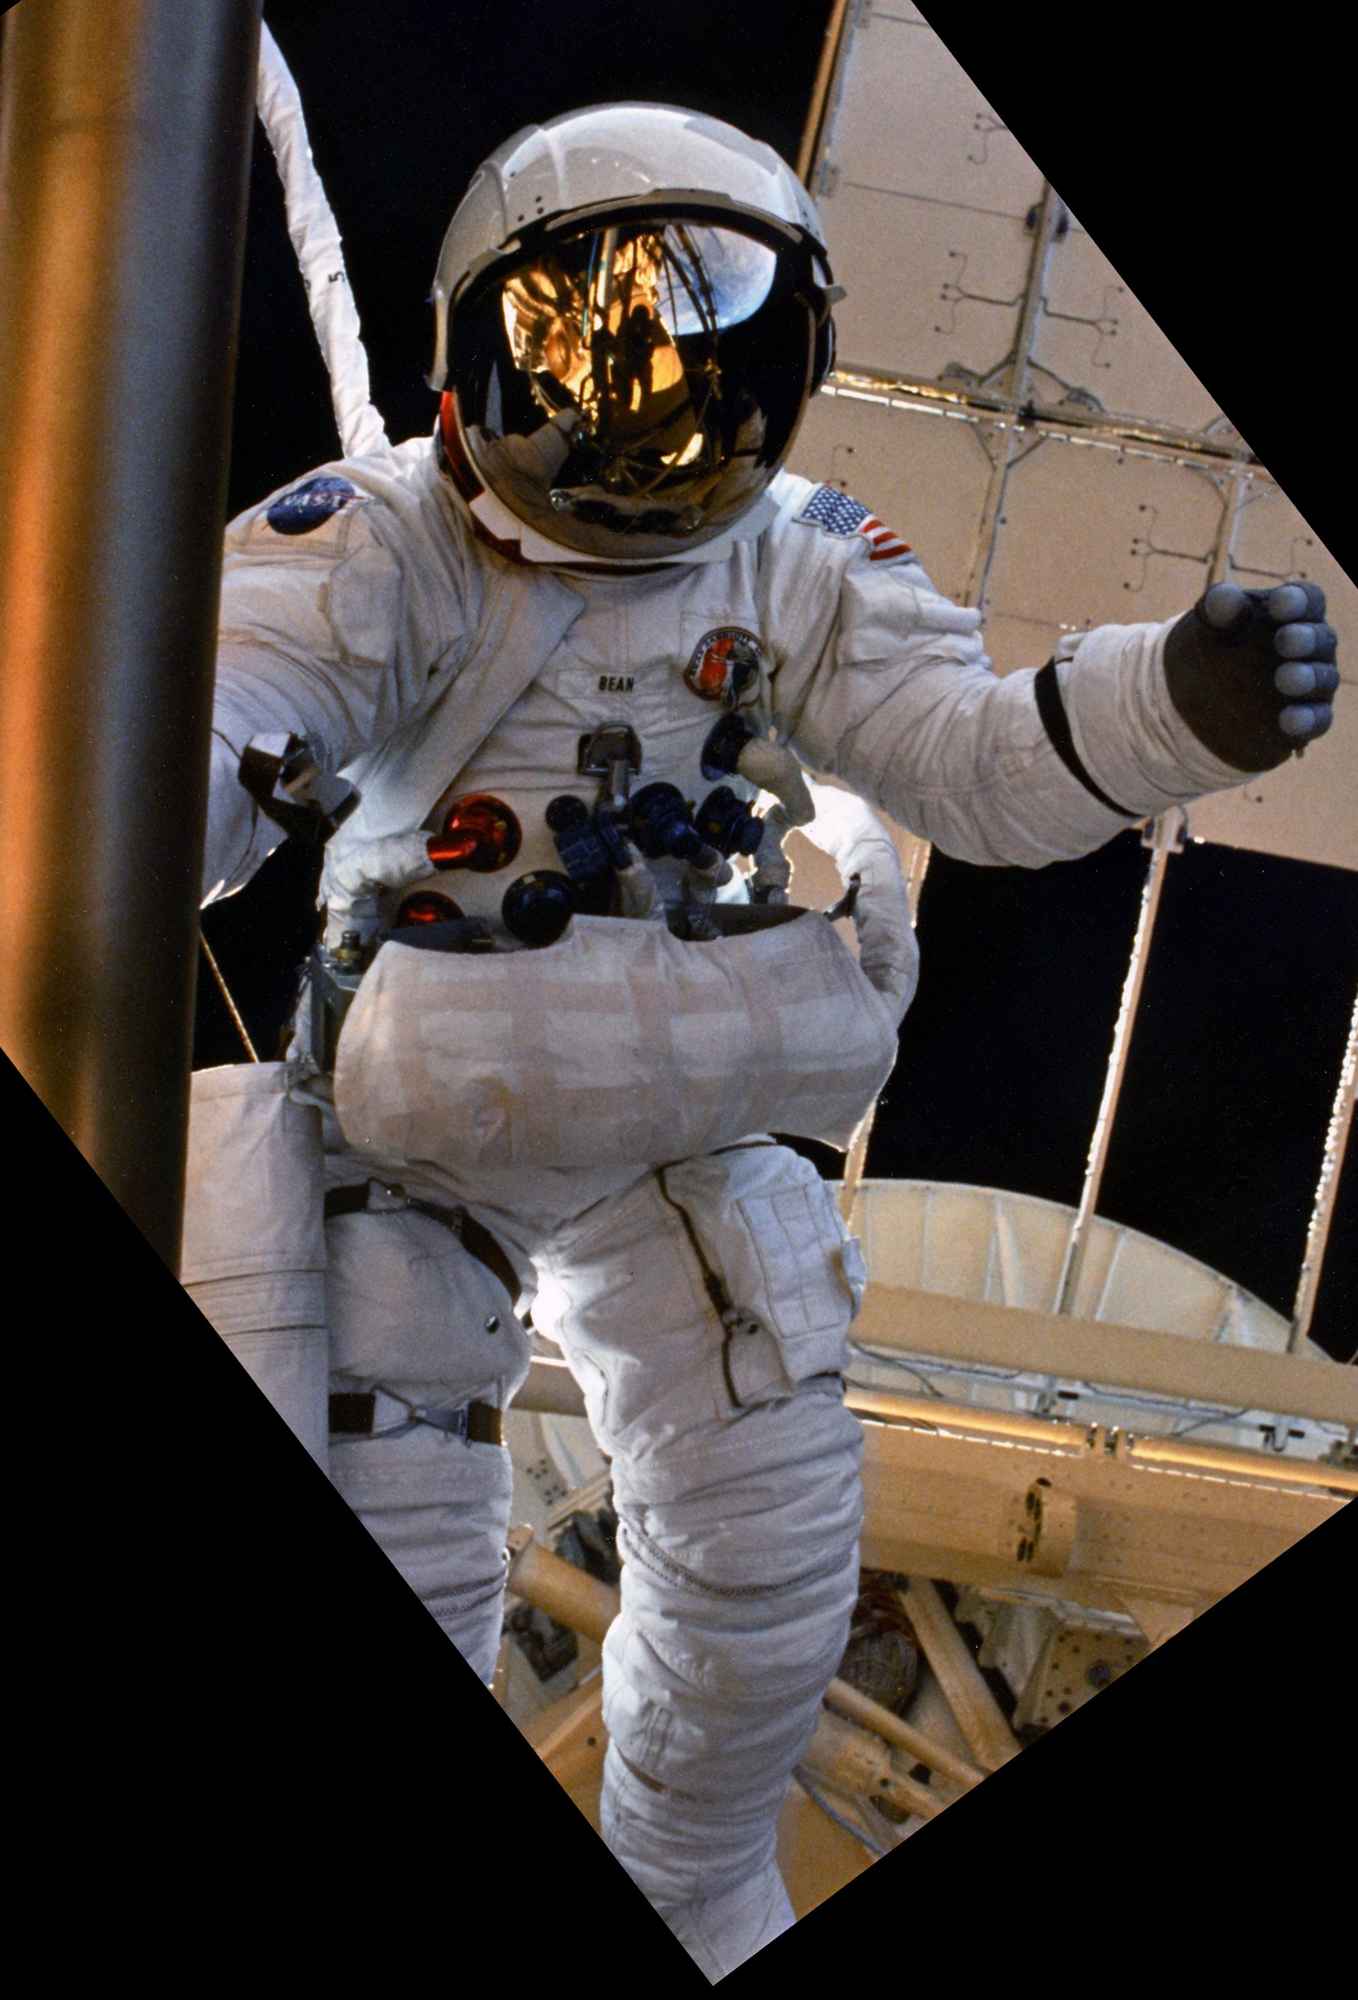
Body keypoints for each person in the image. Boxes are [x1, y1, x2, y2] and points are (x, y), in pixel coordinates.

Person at [189, 103, 1340, 1980]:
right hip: (412, 1145)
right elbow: (232, 699)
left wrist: (1169, 704)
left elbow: (967, 759)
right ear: (475, 360)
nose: (649, 428)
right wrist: (153, 779)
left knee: (768, 1569)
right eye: (594, 370)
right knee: (400, 1539)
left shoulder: (798, 560)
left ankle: (698, 1900)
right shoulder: (382, 542)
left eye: (706, 376)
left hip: (676, 1124)